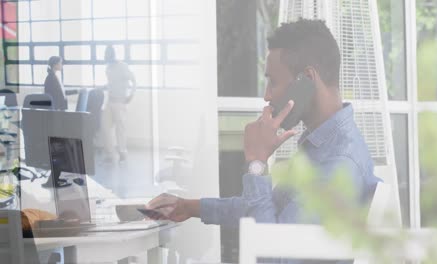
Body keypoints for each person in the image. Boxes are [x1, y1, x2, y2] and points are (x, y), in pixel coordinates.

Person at [146, 19, 381, 262]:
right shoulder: (325, 145)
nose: (267, 95)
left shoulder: (336, 164)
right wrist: (190, 207)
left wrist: (257, 163)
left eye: (273, 82)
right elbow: (266, 209)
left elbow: (272, 257)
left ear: (308, 79)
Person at [102, 45, 136, 162]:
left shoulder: (122, 66)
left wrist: (131, 94)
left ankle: (122, 152)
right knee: (105, 127)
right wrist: (101, 87)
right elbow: (111, 84)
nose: (106, 56)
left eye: (107, 53)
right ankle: (110, 154)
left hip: (120, 102)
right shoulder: (108, 68)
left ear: (112, 54)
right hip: (110, 101)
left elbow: (133, 80)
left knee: (120, 129)